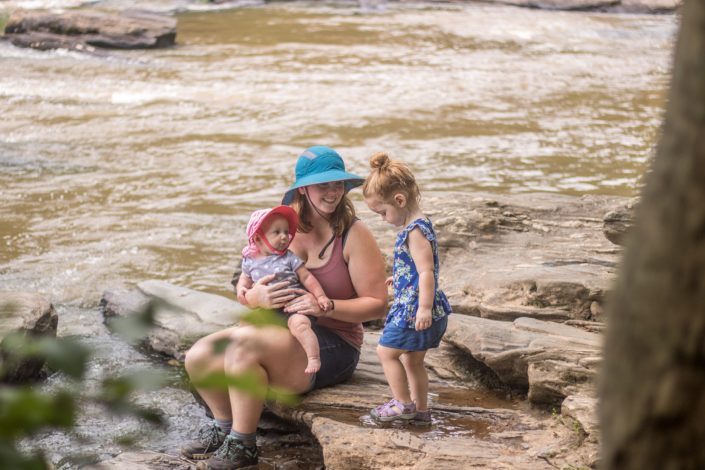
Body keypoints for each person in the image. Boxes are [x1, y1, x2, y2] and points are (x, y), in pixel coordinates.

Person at [181, 146, 387, 470]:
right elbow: (245, 281)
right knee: (198, 355)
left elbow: (377, 305)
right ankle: (222, 426)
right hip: (275, 327)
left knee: (243, 349)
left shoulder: (354, 234)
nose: (332, 193)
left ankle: (244, 445)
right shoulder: (279, 225)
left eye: (337, 185)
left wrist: (327, 307)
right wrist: (254, 299)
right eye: (323, 185)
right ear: (303, 189)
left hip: (334, 342)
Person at [362, 151, 451, 425]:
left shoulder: (414, 231)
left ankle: (403, 403)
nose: (383, 218)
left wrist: (423, 308)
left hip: (415, 310)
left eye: (383, 212)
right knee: (412, 361)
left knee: (385, 352)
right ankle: (422, 412)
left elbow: (426, 272)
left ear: (399, 200)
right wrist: (399, 280)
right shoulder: (419, 225)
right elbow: (415, 269)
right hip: (416, 302)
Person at [234, 205, 332, 374]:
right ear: (258, 239)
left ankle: (314, 357)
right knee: (243, 327)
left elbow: (307, 278)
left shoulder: (289, 258)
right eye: (277, 232)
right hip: (265, 308)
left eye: (286, 232)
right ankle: (239, 362)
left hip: (292, 306)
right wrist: (242, 290)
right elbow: (244, 278)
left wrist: (321, 297)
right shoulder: (250, 259)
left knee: (301, 326)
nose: (284, 237)